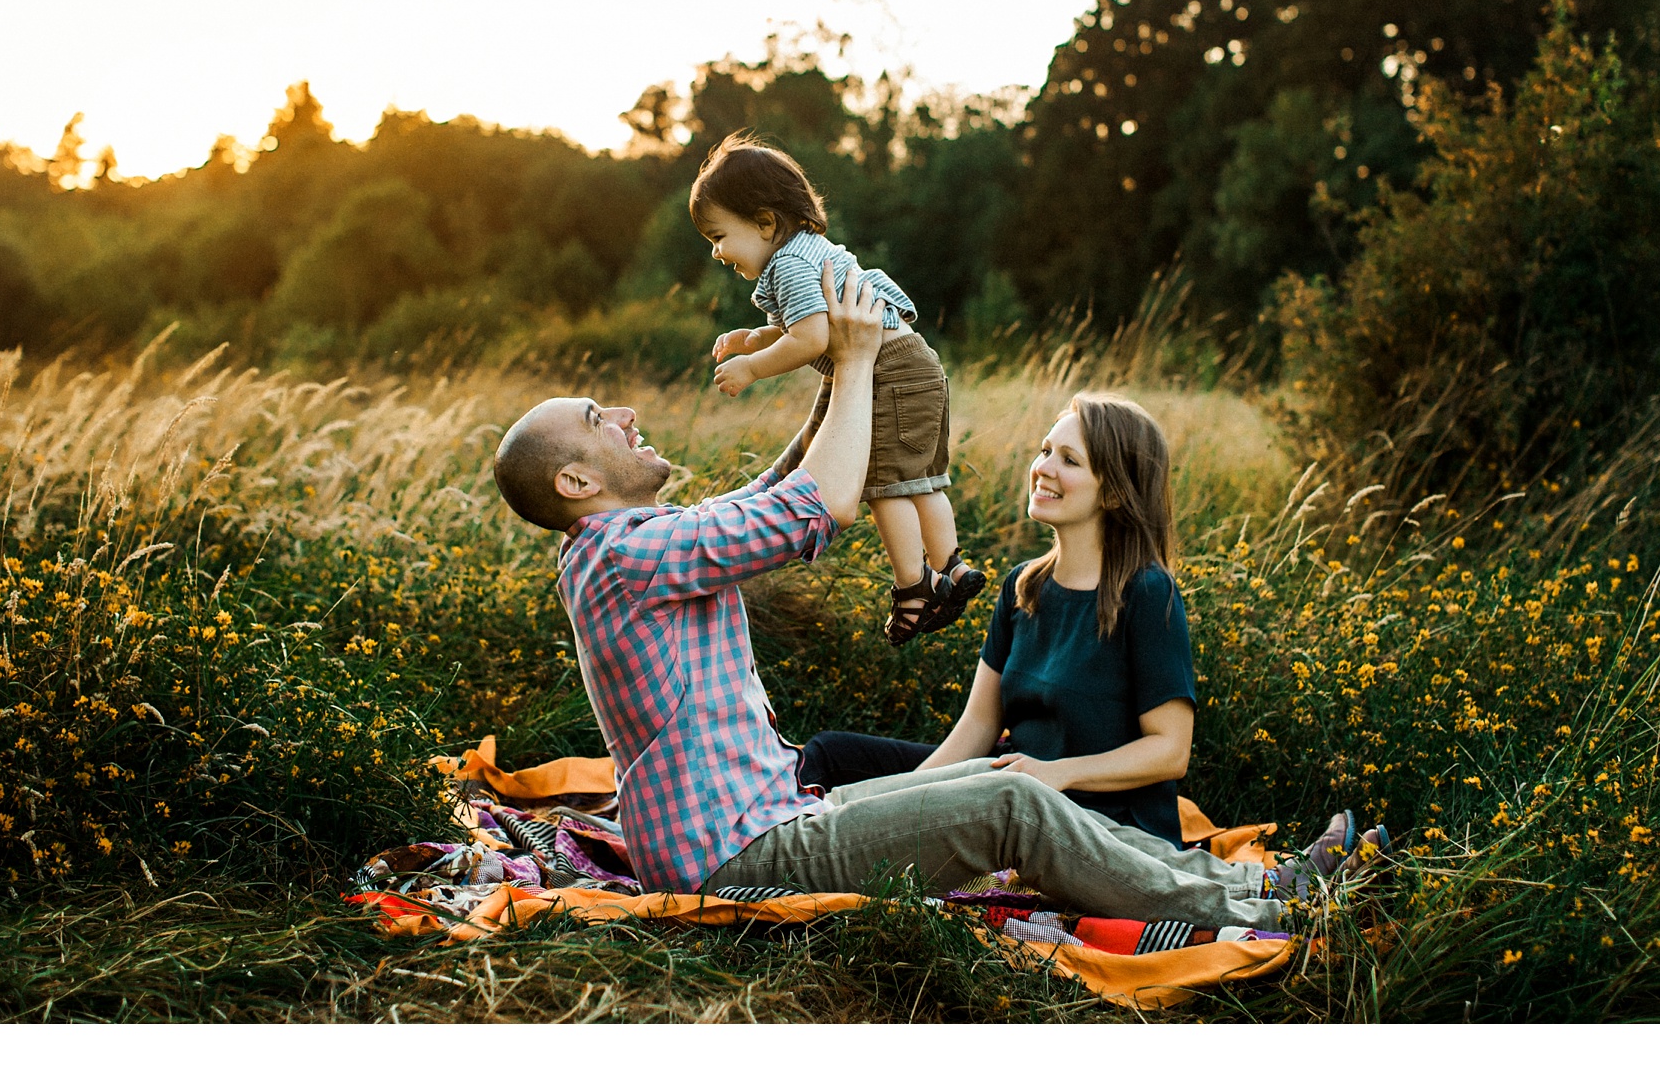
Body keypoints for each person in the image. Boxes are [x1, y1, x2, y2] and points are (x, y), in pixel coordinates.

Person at [492, 266, 1353, 926]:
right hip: (735, 856)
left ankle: (1261, 878)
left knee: (992, 774)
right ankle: (1262, 912)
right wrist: (862, 361)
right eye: (602, 419)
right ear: (575, 478)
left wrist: (837, 381)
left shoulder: (631, 547)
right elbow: (813, 508)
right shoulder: (628, 556)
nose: (629, 414)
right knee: (1013, 800)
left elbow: (769, 490)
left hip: (768, 815)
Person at [797, 392, 1392, 902]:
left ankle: (1279, 887)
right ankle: (810, 824)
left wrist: (1057, 775)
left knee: (1075, 838)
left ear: (1114, 493)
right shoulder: (1022, 587)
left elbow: (1169, 752)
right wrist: (901, 810)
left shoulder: (1146, 594)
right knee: (831, 759)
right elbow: (975, 729)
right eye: (1044, 451)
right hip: (1016, 798)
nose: (1043, 468)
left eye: (1070, 460)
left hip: (1104, 821)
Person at [689, 131, 985, 646]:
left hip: (887, 368)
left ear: (764, 222)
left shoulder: (789, 264)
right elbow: (805, 321)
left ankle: (913, 587)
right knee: (922, 481)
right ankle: (952, 569)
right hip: (915, 363)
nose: (716, 253)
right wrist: (752, 336)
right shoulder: (806, 253)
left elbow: (811, 337)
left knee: (882, 484)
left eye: (718, 236)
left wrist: (753, 367)